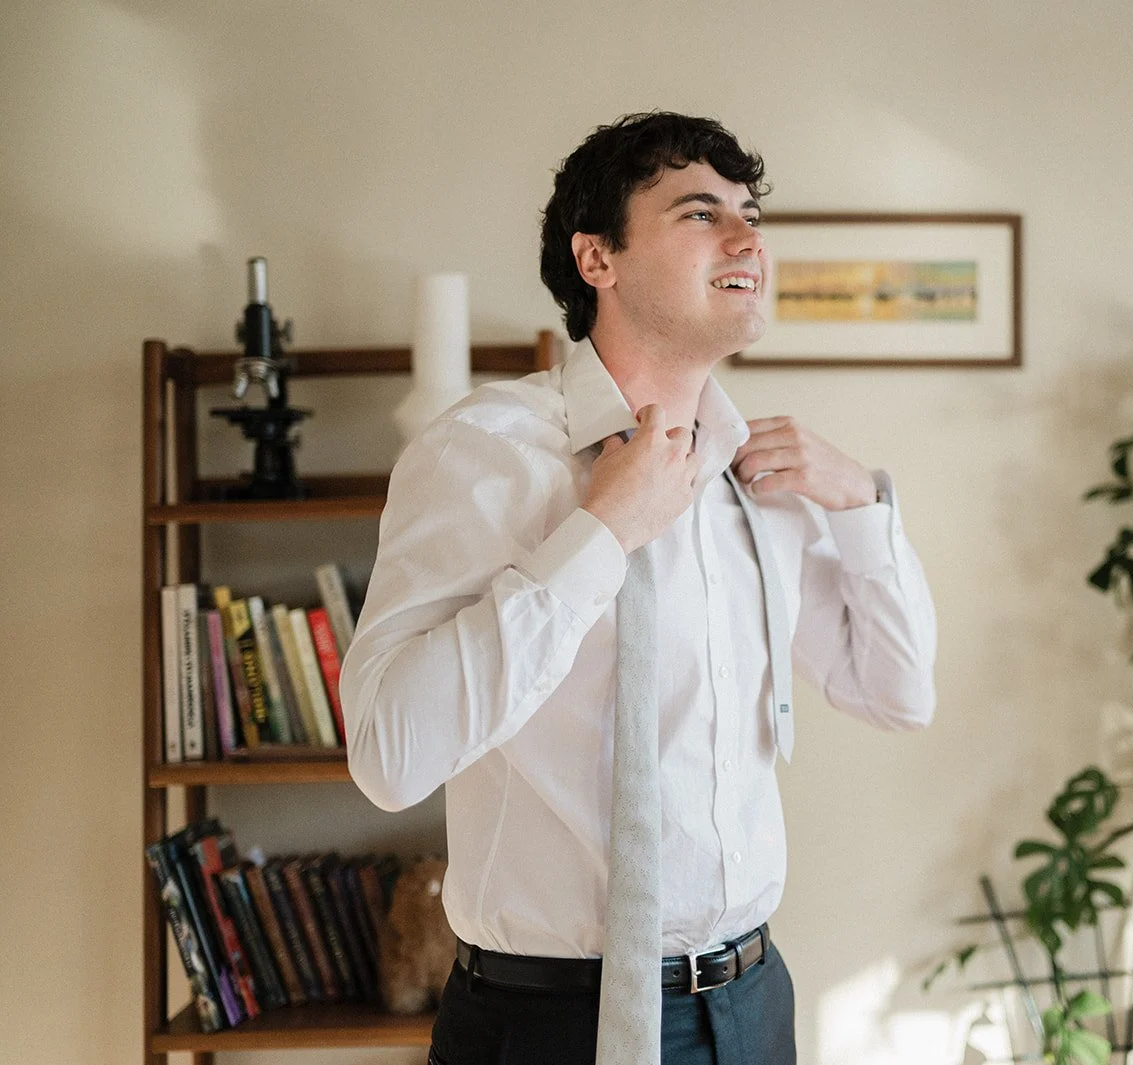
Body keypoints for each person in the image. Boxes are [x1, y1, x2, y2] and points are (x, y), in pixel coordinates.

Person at [342, 111, 938, 1065]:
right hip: (548, 1025)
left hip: (751, 1005)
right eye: (701, 213)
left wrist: (864, 504)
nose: (747, 239)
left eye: (750, 215)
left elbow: (898, 694)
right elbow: (387, 754)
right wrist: (603, 532)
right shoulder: (483, 453)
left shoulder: (757, 479)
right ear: (598, 258)